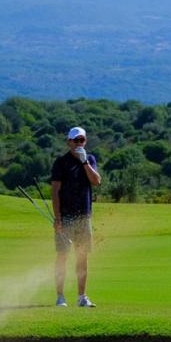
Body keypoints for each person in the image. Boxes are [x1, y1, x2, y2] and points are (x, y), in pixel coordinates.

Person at [50, 126, 102, 307]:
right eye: (75, 140)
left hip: (84, 217)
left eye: (82, 140)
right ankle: (60, 297)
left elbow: (96, 181)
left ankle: (82, 297)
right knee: (62, 256)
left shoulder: (90, 159)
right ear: (69, 142)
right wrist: (57, 218)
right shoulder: (61, 163)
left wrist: (84, 162)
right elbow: (55, 191)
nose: (79, 143)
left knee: (82, 257)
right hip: (65, 217)